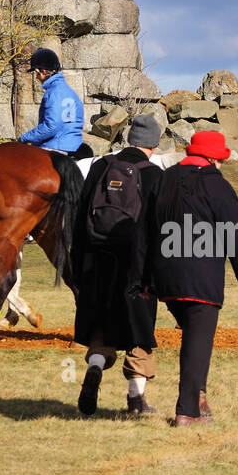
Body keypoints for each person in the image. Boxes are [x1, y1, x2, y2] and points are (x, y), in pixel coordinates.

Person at [137, 130, 238, 426]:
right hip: (201, 278)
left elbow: (145, 229)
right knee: (197, 341)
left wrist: (144, 277)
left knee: (195, 336)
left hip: (164, 278)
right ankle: (187, 412)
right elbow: (236, 231)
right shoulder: (215, 184)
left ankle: (199, 397)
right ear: (215, 158)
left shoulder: (166, 178)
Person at [72, 116, 164, 416]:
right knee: (139, 332)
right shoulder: (153, 175)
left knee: (102, 326)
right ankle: (136, 401)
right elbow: (158, 229)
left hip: (96, 262)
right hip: (135, 268)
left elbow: (80, 216)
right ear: (153, 144)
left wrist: (78, 265)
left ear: (128, 138)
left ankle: (95, 368)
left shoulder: (100, 167)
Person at [19, 48, 91, 159]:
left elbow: (51, 126)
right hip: (74, 144)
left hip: (56, 146)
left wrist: (25, 138)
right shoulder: (70, 91)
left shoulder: (53, 92)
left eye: (36, 73)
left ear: (43, 72)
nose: (36, 77)